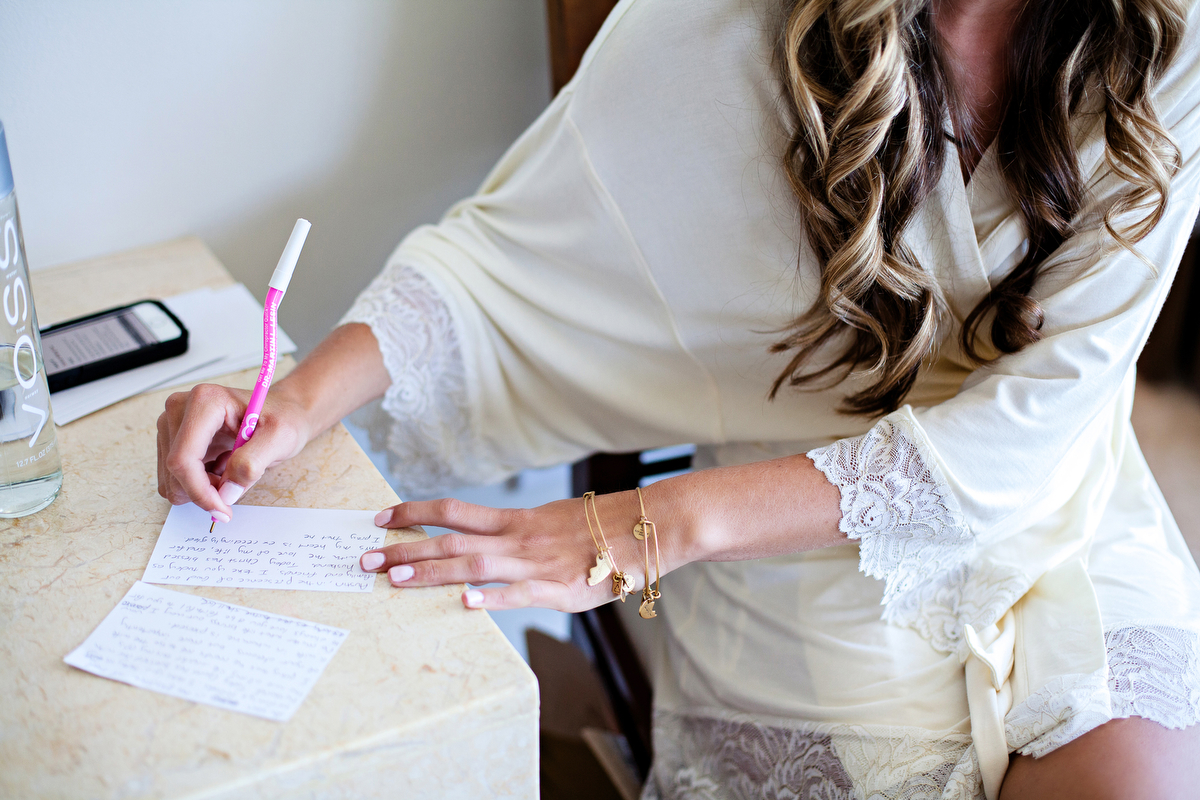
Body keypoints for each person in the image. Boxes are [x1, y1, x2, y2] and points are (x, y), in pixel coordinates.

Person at [157, 0, 1200, 796]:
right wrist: (291, 402)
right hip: (791, 545)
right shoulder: (721, 26)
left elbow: (1031, 426)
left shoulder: (1173, 40)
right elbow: (497, 269)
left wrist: (641, 528)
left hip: (1062, 506)